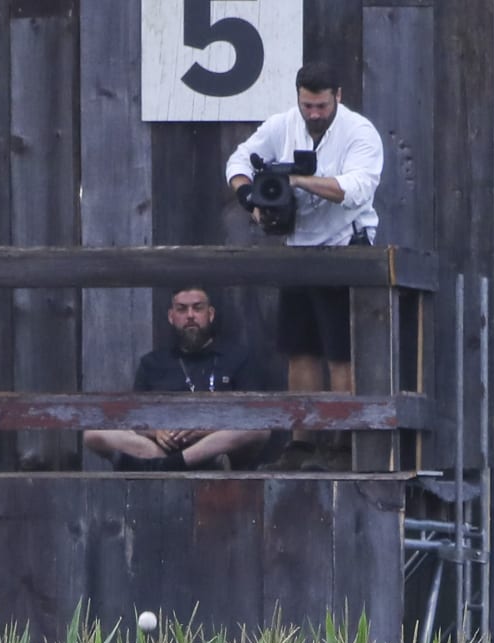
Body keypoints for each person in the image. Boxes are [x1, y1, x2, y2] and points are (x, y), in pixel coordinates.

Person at [225, 62, 384, 395]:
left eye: (322, 106)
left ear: (338, 96)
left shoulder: (359, 131)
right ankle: (304, 444)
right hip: (297, 250)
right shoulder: (281, 125)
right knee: (300, 352)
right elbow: (239, 161)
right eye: (307, 105)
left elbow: (356, 189)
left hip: (346, 249)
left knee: (342, 354)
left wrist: (296, 180)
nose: (313, 114)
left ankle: (343, 444)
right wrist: (250, 200)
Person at [86, 285, 288, 470]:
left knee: (258, 430)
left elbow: (254, 415)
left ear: (210, 314)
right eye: (182, 309)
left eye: (197, 308)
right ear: (171, 316)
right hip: (163, 445)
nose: (190, 315)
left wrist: (204, 430)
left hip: (218, 445)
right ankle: (176, 462)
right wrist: (156, 432)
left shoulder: (238, 357)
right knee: (93, 434)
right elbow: (134, 418)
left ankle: (169, 465)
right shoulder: (152, 362)